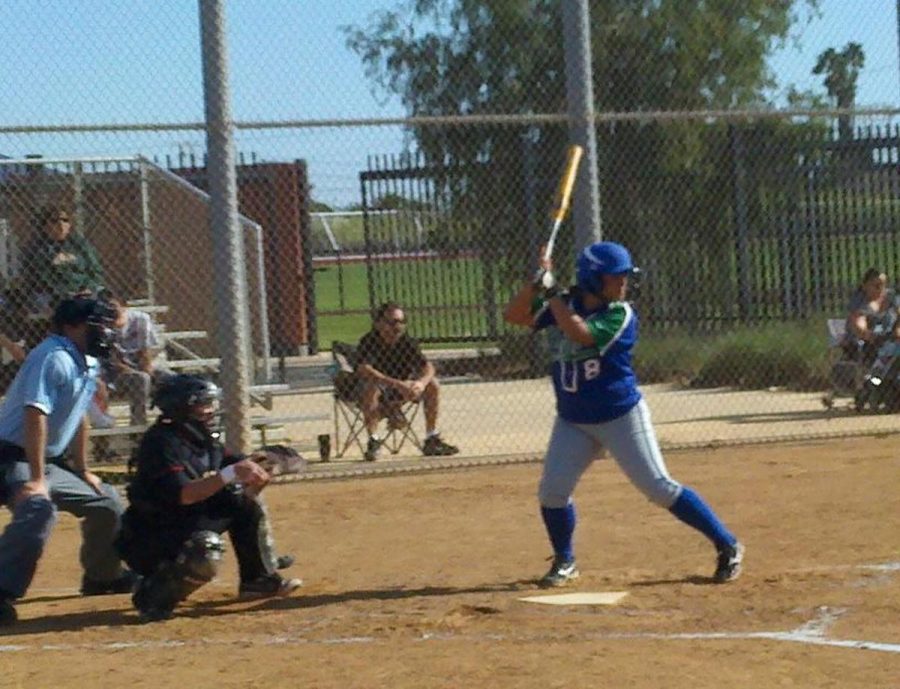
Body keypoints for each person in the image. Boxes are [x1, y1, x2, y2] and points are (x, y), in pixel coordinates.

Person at [503, 241, 744, 588]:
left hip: (620, 417)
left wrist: (552, 291)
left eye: (624, 278)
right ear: (591, 279)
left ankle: (727, 544)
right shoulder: (565, 303)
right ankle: (565, 560)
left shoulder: (620, 314)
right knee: (552, 492)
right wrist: (536, 283)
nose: (623, 285)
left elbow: (580, 334)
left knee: (659, 488)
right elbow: (514, 316)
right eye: (615, 278)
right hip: (573, 419)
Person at [117, 374, 302, 622]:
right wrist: (230, 474)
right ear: (181, 408)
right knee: (206, 549)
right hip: (150, 537)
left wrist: (264, 467)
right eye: (203, 404)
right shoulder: (160, 442)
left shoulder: (203, 440)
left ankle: (257, 580)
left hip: (183, 521)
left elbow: (239, 465)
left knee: (241, 502)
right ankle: (153, 594)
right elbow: (185, 494)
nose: (211, 410)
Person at [0, 296, 136, 626]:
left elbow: (80, 417)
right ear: (71, 326)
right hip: (9, 456)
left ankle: (102, 577)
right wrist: (36, 479)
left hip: (46, 458)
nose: (105, 331)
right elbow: (35, 415)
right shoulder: (52, 356)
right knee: (38, 509)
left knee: (106, 503)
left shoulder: (87, 360)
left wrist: (84, 469)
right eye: (97, 324)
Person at [355, 302, 459, 461]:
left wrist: (421, 383)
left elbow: (428, 367)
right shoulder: (369, 341)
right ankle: (373, 440)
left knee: (433, 385)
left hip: (401, 389)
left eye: (401, 322)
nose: (397, 327)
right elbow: (365, 370)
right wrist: (397, 384)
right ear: (378, 323)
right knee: (372, 387)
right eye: (392, 322)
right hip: (376, 389)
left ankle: (431, 438)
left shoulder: (407, 342)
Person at [92, 288, 169, 427]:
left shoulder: (140, 319)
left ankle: (172, 422)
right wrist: (133, 371)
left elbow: (146, 352)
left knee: (170, 378)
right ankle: (138, 426)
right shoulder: (100, 326)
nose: (110, 311)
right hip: (115, 373)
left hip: (142, 365)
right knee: (141, 379)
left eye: (113, 306)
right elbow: (112, 360)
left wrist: (146, 368)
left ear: (124, 305)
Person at [20, 206, 105, 314]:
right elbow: (37, 277)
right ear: (44, 226)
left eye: (65, 220)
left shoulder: (80, 244)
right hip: (52, 295)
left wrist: (88, 288)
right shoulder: (35, 248)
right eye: (54, 221)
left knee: (103, 297)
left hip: (83, 291)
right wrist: (62, 293)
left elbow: (95, 271)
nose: (61, 225)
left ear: (69, 225)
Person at [845, 268, 900, 365]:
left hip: (889, 341)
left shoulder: (890, 296)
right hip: (866, 344)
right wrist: (874, 337)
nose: (880, 289)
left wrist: (897, 331)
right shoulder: (859, 300)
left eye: (883, 285)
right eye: (876, 286)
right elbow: (859, 326)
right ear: (865, 286)